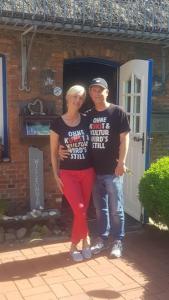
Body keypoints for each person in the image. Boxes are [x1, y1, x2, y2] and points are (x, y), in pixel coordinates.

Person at [60, 78, 130, 259]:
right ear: (90, 94)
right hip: (93, 171)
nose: (97, 93)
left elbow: (125, 140)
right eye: (93, 90)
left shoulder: (117, 112)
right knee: (100, 210)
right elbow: (73, 135)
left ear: (107, 92)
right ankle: (102, 238)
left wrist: (121, 162)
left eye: (100, 90)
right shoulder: (88, 115)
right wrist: (61, 148)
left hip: (113, 171)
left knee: (116, 208)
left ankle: (117, 240)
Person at [50, 85, 95, 262]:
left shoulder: (87, 120)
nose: (78, 100)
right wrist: (55, 175)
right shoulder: (57, 123)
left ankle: (83, 242)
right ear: (68, 98)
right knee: (81, 210)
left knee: (81, 211)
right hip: (68, 174)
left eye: (81, 98)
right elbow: (53, 152)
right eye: (75, 96)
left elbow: (99, 140)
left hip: (88, 172)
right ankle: (77, 243)